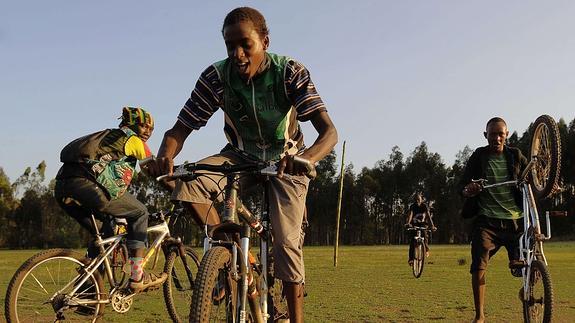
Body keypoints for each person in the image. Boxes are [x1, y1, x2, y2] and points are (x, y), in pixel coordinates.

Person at [147, 7, 337, 322]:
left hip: (285, 160)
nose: (237, 54)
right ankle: (229, 255)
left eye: (245, 45)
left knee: (287, 244)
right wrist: (165, 156)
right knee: (189, 182)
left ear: (264, 41)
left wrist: (307, 159)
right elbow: (180, 129)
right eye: (229, 46)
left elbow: (329, 132)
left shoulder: (289, 72)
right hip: (239, 155)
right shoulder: (216, 77)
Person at [54, 106, 167, 293]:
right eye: (143, 126)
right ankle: (137, 276)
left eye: (151, 128)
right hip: (89, 187)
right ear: (130, 124)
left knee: (105, 235)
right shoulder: (133, 140)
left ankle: (88, 293)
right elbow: (152, 171)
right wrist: (178, 188)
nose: (147, 131)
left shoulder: (109, 138)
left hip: (62, 187)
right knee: (140, 212)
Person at [458, 117, 528, 323]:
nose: (496, 138)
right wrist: (468, 190)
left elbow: (532, 179)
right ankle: (479, 316)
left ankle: (528, 289)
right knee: (478, 264)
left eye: (500, 134)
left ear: (507, 135)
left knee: (524, 264)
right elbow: (462, 185)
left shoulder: (515, 155)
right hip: (487, 222)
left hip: (516, 222)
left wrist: (549, 186)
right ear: (485, 135)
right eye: (492, 134)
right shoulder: (479, 156)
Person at [404, 193, 436, 265]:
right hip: (414, 225)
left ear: (421, 199)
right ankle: (411, 259)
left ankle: (426, 250)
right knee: (412, 241)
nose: (417, 201)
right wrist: (408, 223)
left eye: (418, 199)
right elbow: (410, 214)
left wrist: (432, 226)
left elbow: (428, 215)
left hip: (423, 224)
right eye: (416, 200)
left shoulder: (424, 206)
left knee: (425, 235)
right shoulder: (412, 206)